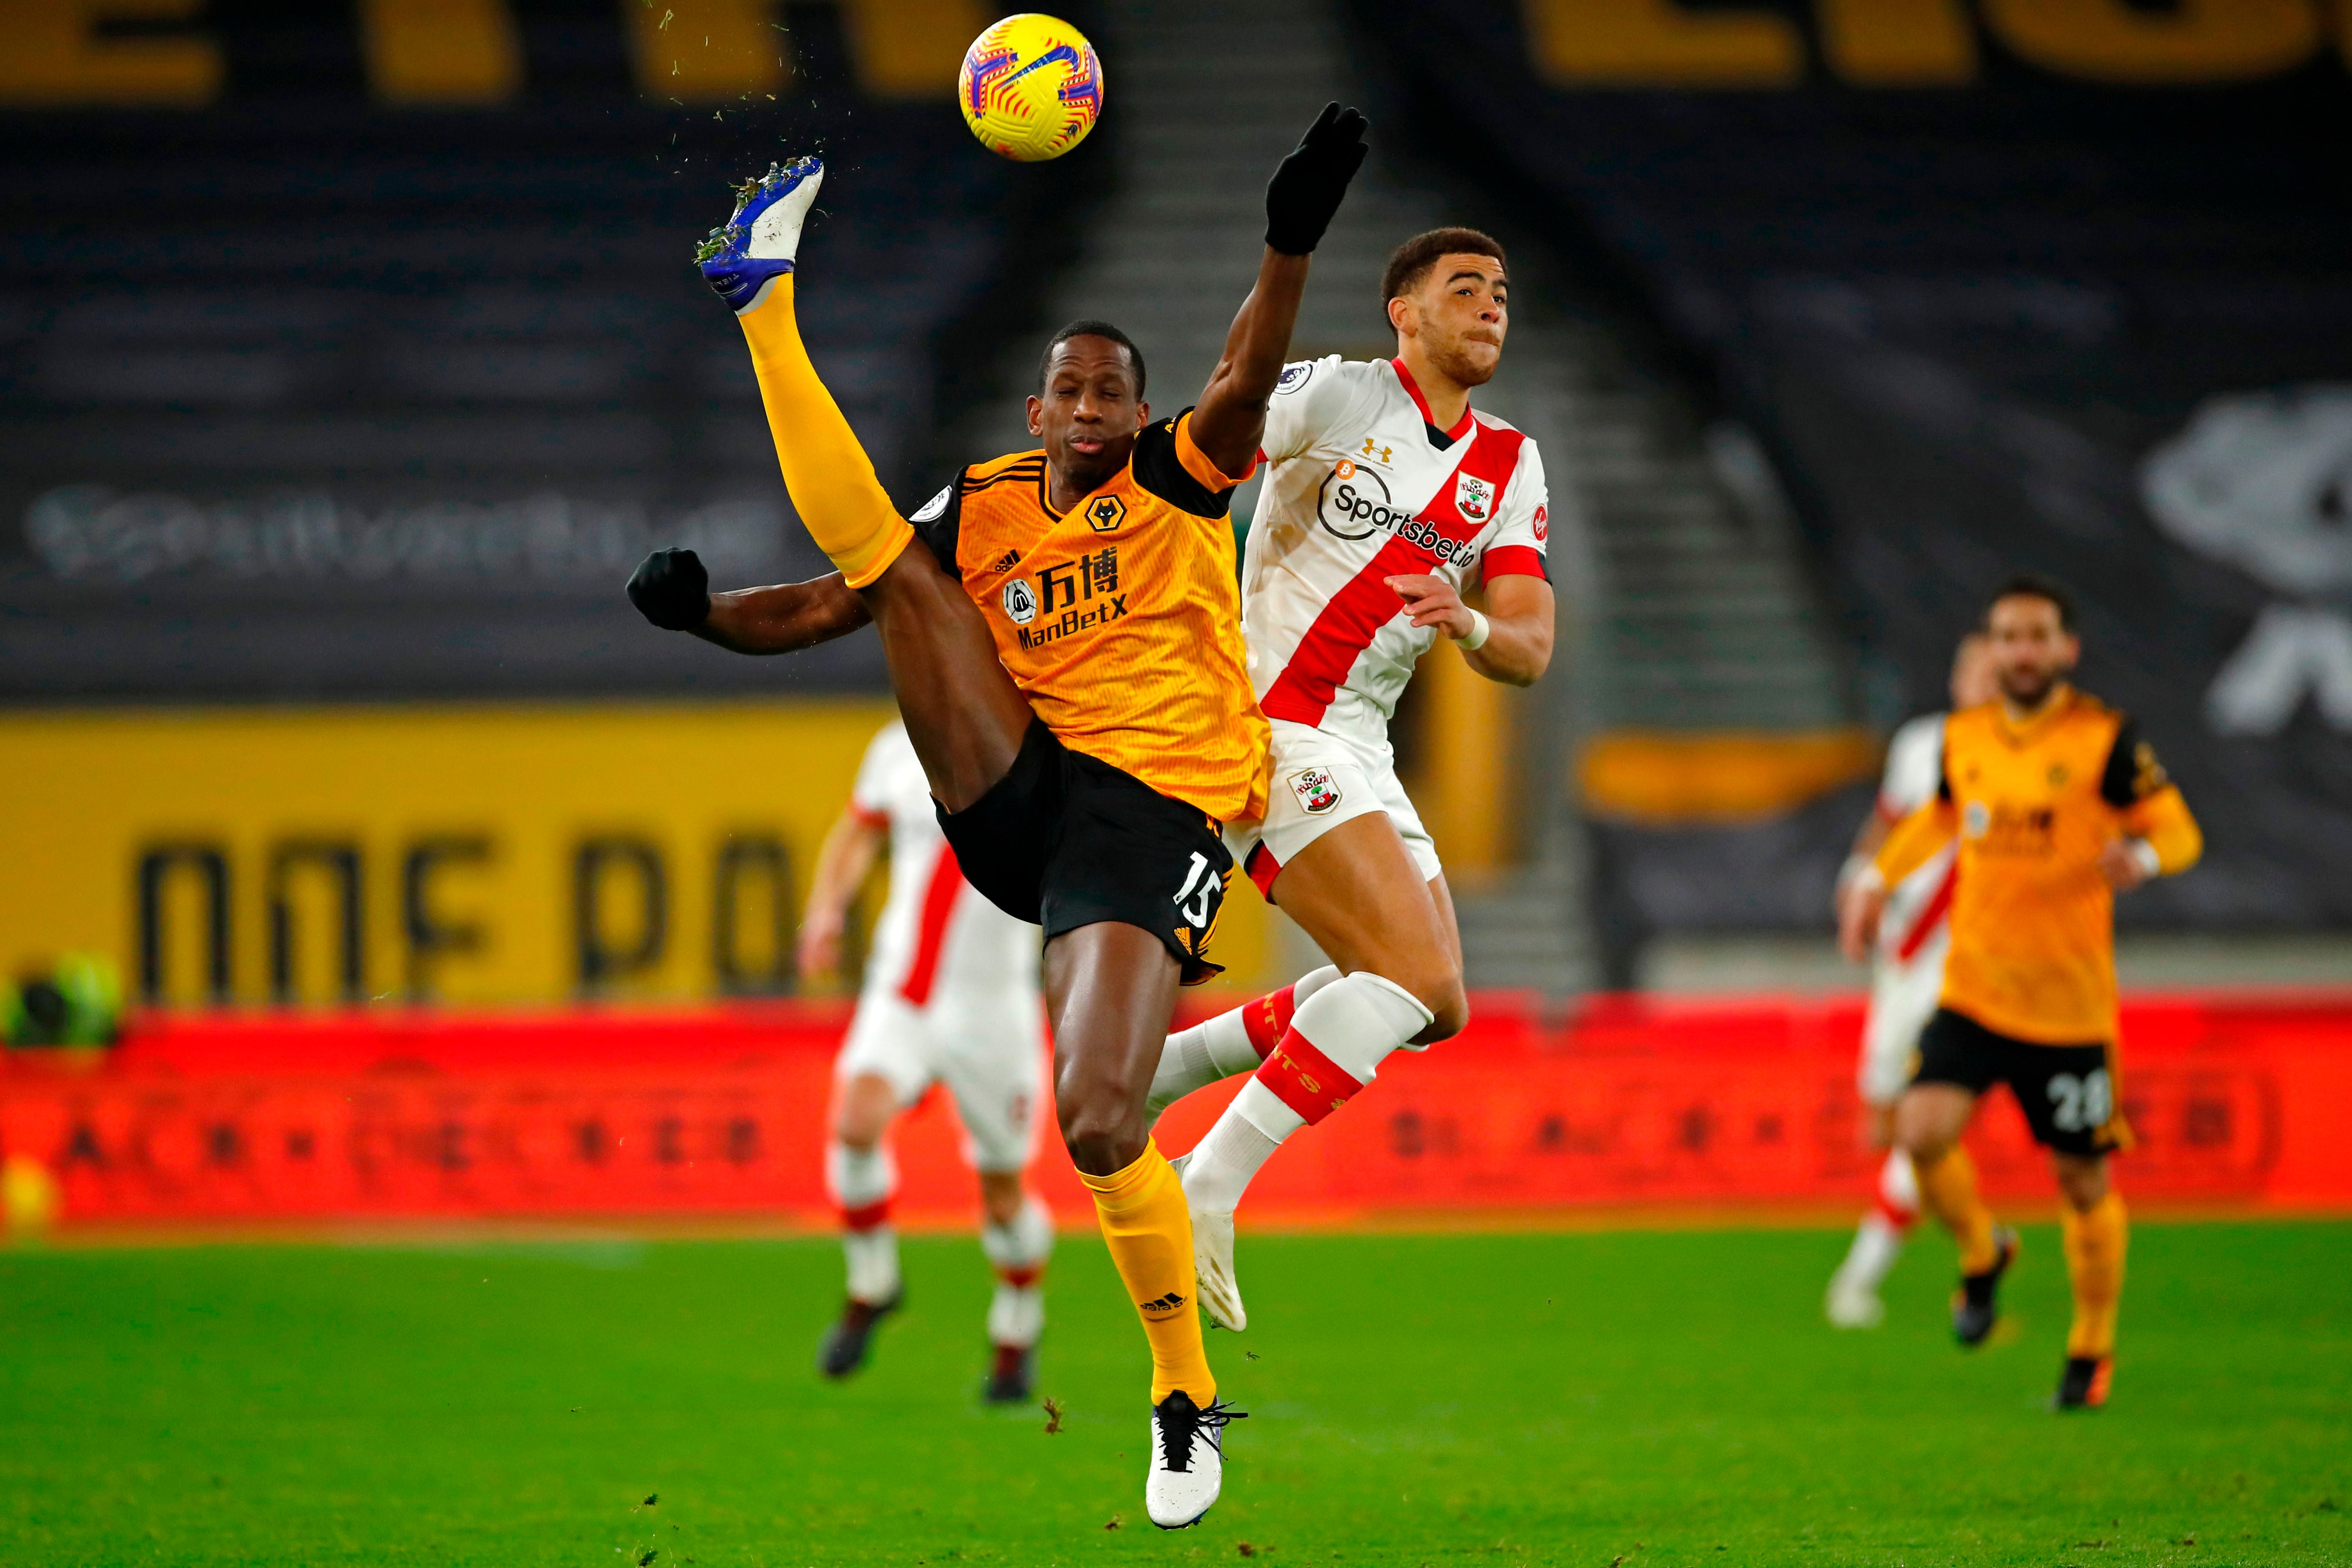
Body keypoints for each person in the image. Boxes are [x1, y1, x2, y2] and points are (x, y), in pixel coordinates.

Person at [624, 104, 1372, 1527]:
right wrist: (703, 618)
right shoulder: (985, 501)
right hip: (1019, 796)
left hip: (1153, 821)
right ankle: (760, 303)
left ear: (1138, 416)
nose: (1089, 412)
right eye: (1067, 393)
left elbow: (1245, 375)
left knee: (1095, 1122)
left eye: (1110, 395)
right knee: (908, 575)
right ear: (1036, 412)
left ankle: (1176, 1393)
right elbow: (832, 600)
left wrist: (1290, 240)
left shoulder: (1178, 480)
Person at [1140, 229, 1556, 1331]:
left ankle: (1172, 1063)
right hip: (1268, 719)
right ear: (1402, 313)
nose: (1490, 307)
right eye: (1463, 289)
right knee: (1407, 975)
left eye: (1502, 293)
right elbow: (1220, 418)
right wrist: (1279, 253)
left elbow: (1528, 645)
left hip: (1359, 739)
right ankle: (1211, 1179)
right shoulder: (1334, 394)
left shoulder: (1509, 465)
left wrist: (1465, 618)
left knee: (1438, 1006)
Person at [1840, 574, 2202, 1410]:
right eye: (2008, 636)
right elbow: (1933, 821)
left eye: (2038, 636)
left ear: (2066, 648)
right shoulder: (1964, 739)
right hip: (1974, 989)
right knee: (1922, 1133)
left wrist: (2143, 859)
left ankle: (2090, 1350)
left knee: (2082, 1184)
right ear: (1991, 649)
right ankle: (1980, 1252)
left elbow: (2179, 826)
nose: (2023, 651)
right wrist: (1870, 876)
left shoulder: (2106, 740)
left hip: (2067, 1008)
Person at [800, 716, 1052, 1403]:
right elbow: (858, 828)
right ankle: (873, 1282)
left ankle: (1018, 1323)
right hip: (903, 989)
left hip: (994, 1006)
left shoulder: (1050, 740)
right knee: (855, 1122)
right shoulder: (897, 742)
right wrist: (825, 910)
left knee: (1003, 1197)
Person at [1823, 631, 1998, 1329]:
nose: (1982, 682)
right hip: (1901, 959)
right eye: (1973, 668)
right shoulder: (1920, 744)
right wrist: (1858, 881)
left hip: (1970, 966)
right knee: (1886, 1125)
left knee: (1925, 1130)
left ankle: (1858, 1279)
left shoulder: (2027, 756)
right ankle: (1985, 1247)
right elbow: (1888, 827)